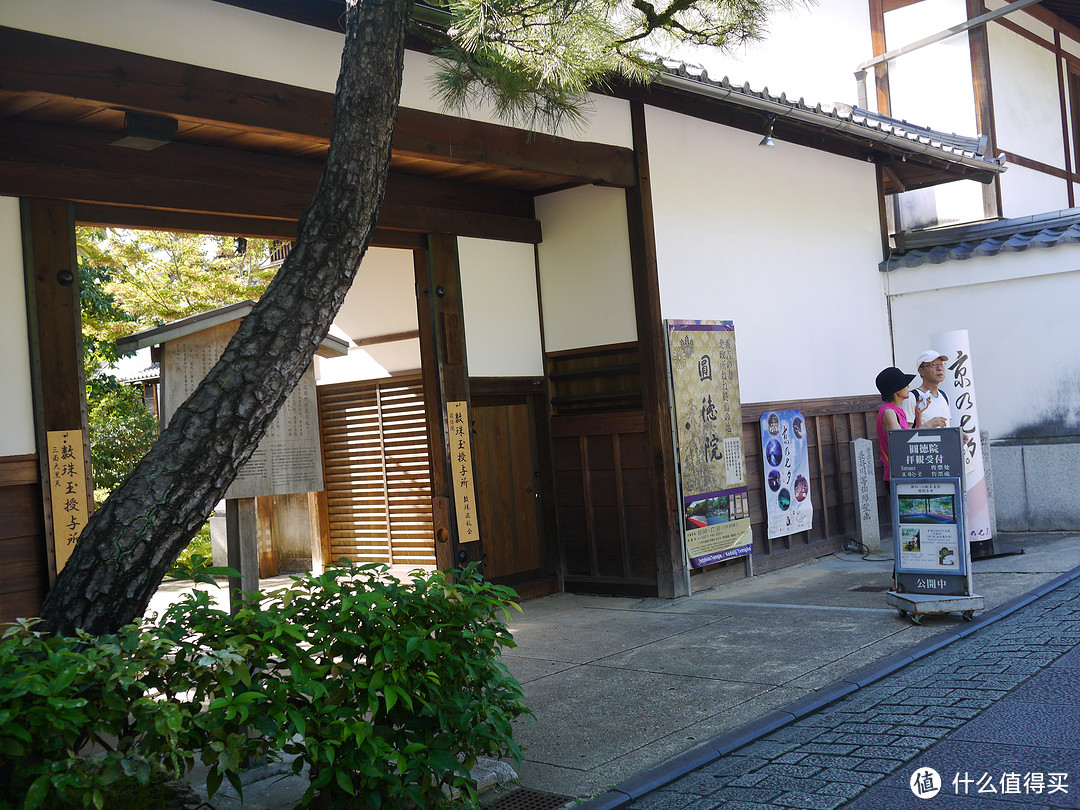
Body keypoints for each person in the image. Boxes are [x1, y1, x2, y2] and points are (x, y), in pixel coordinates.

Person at [875, 366, 915, 482]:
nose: (908, 386)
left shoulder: (895, 410)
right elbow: (902, 443)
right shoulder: (889, 412)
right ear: (897, 390)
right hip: (897, 475)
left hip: (901, 473)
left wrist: (919, 413)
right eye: (905, 384)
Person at [903, 349, 950, 429]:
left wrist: (959, 435)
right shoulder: (912, 398)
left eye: (941, 364)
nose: (939, 368)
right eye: (933, 365)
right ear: (921, 371)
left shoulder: (944, 396)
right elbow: (905, 436)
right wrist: (929, 425)